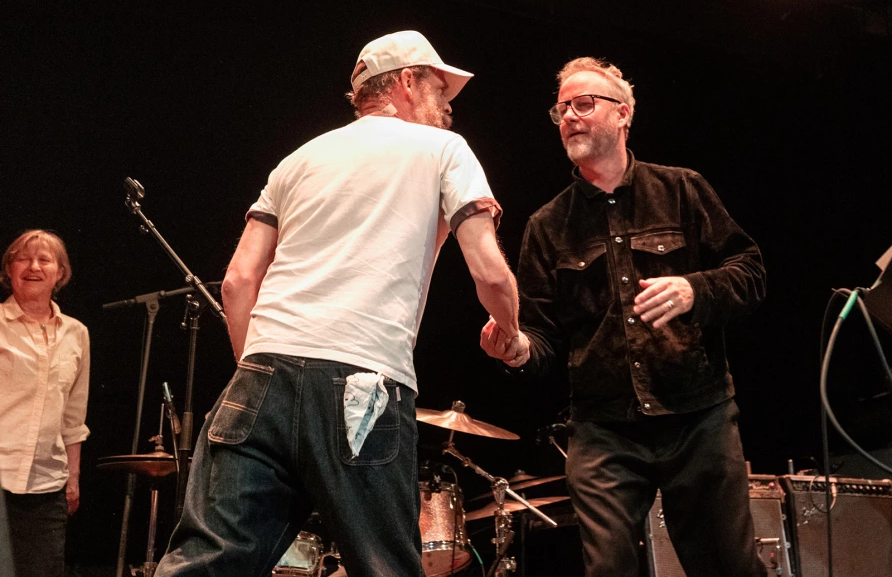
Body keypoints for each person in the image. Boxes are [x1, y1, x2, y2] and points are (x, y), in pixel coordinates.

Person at [155, 31, 522, 577]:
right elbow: (489, 271)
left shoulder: (297, 160)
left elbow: (237, 282)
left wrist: (261, 372)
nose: (448, 105)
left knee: (205, 565)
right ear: (405, 82)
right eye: (439, 88)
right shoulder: (445, 149)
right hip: (363, 382)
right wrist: (511, 332)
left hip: (261, 374)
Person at [481, 57, 768, 576]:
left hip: (697, 416)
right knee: (608, 568)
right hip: (603, 429)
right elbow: (541, 335)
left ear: (623, 114)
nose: (569, 116)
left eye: (583, 104)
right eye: (561, 109)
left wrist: (694, 289)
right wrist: (518, 350)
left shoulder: (682, 189)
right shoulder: (548, 224)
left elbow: (750, 273)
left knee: (729, 566)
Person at [0, 229, 90, 577]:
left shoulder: (76, 333)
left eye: (44, 259)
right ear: (9, 270)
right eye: (23, 258)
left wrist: (73, 479)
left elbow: (73, 417)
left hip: (46, 486)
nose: (33, 266)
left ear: (60, 273)